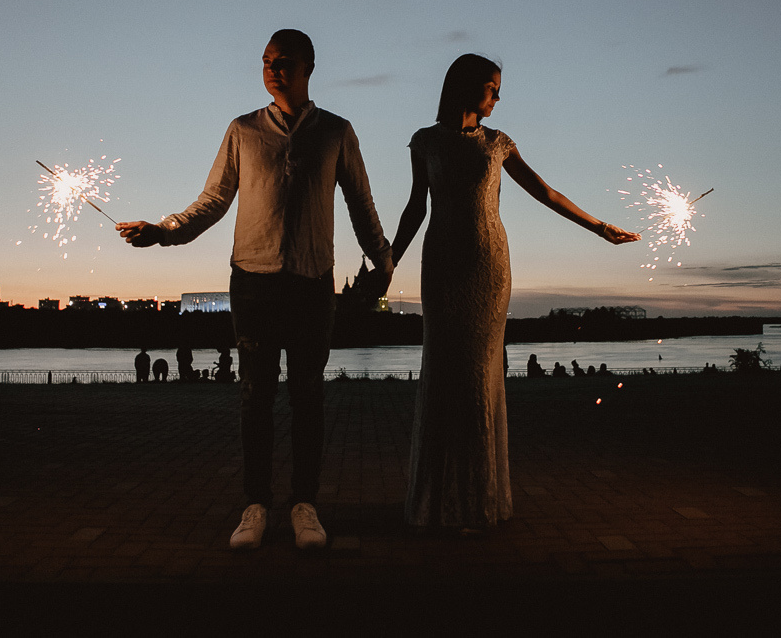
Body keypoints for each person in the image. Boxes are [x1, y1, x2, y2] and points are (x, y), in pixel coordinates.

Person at [117, 29, 394, 551]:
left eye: (283, 61)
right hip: (252, 281)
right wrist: (165, 231)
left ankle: (305, 505)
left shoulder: (336, 132)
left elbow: (361, 200)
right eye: (266, 60)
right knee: (255, 396)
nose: (272, 68)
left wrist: (382, 259)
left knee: (308, 395)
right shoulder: (243, 131)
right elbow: (213, 200)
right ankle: (256, 505)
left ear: (309, 66)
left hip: (313, 283)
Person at [390, 53, 639, 531]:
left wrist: (599, 227)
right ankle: (439, 501)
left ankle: (479, 502)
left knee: (481, 376)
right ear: (465, 86)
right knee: (444, 372)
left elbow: (545, 192)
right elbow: (414, 209)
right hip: (441, 265)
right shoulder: (424, 142)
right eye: (492, 87)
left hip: (489, 267)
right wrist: (387, 262)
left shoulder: (498, 144)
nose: (498, 97)